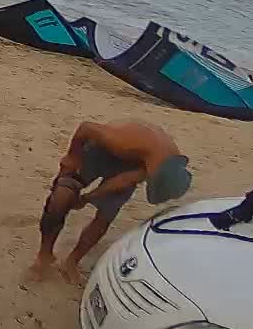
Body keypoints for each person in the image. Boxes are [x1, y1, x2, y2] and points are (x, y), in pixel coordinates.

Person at [29, 120, 192, 284]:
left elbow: (124, 180)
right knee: (60, 198)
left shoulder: (166, 166)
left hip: (133, 162)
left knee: (105, 216)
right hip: (102, 151)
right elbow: (86, 127)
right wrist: (73, 155)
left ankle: (72, 262)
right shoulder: (125, 143)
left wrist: (87, 198)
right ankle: (44, 254)